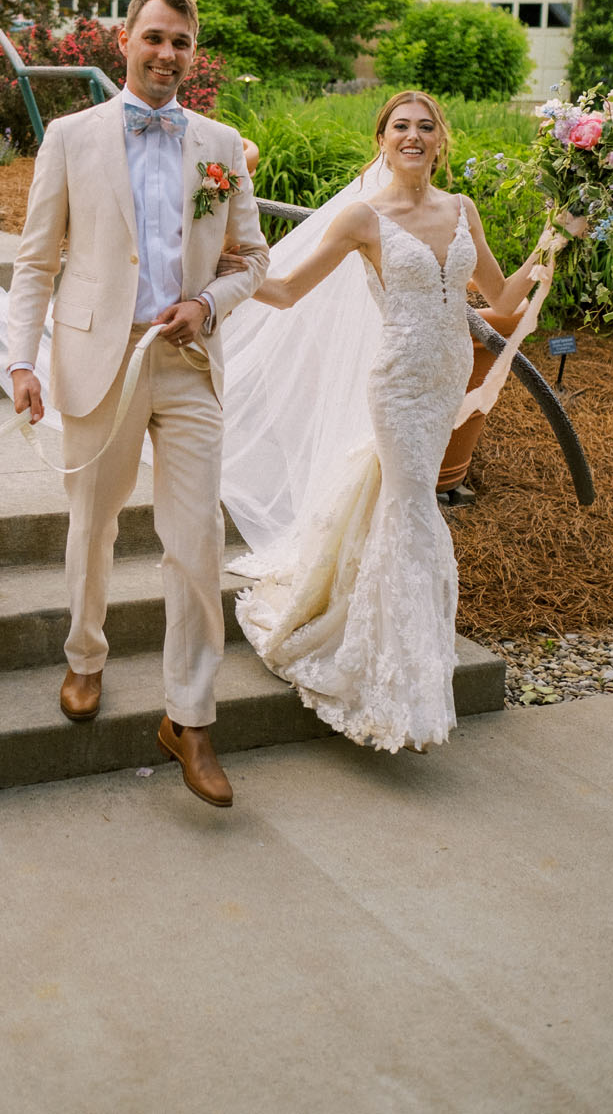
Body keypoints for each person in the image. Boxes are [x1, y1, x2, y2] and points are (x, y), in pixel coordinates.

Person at [218, 88, 580, 754]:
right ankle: (401, 681)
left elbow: (499, 297)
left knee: (401, 501)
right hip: (397, 379)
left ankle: (384, 642)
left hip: (446, 380)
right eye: (400, 127)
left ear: (440, 139)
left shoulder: (461, 209)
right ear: (382, 139)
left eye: (425, 126)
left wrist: (552, 242)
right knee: (416, 506)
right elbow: (289, 291)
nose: (413, 136)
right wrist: (232, 265)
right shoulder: (362, 218)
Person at [7, 0, 269, 806]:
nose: (165, 54)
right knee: (93, 524)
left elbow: (251, 261)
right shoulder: (70, 136)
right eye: (153, 37)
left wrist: (206, 304)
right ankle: (86, 658)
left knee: (195, 543)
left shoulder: (222, 144)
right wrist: (22, 363)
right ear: (126, 40)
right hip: (98, 359)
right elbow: (33, 262)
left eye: (180, 44)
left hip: (187, 367)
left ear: (193, 55)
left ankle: (191, 717)